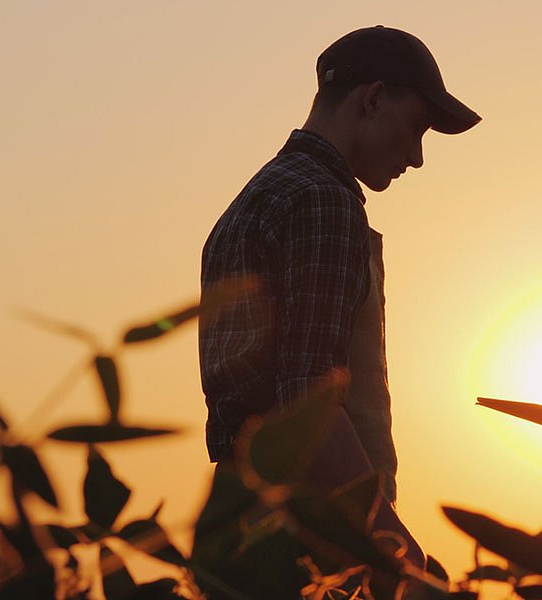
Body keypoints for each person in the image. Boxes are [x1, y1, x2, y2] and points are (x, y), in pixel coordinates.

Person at [196, 25, 480, 595]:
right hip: (309, 546)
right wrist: (399, 558)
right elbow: (309, 409)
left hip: (240, 533)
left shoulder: (256, 198)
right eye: (417, 128)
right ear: (373, 99)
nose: (418, 157)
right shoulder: (323, 201)